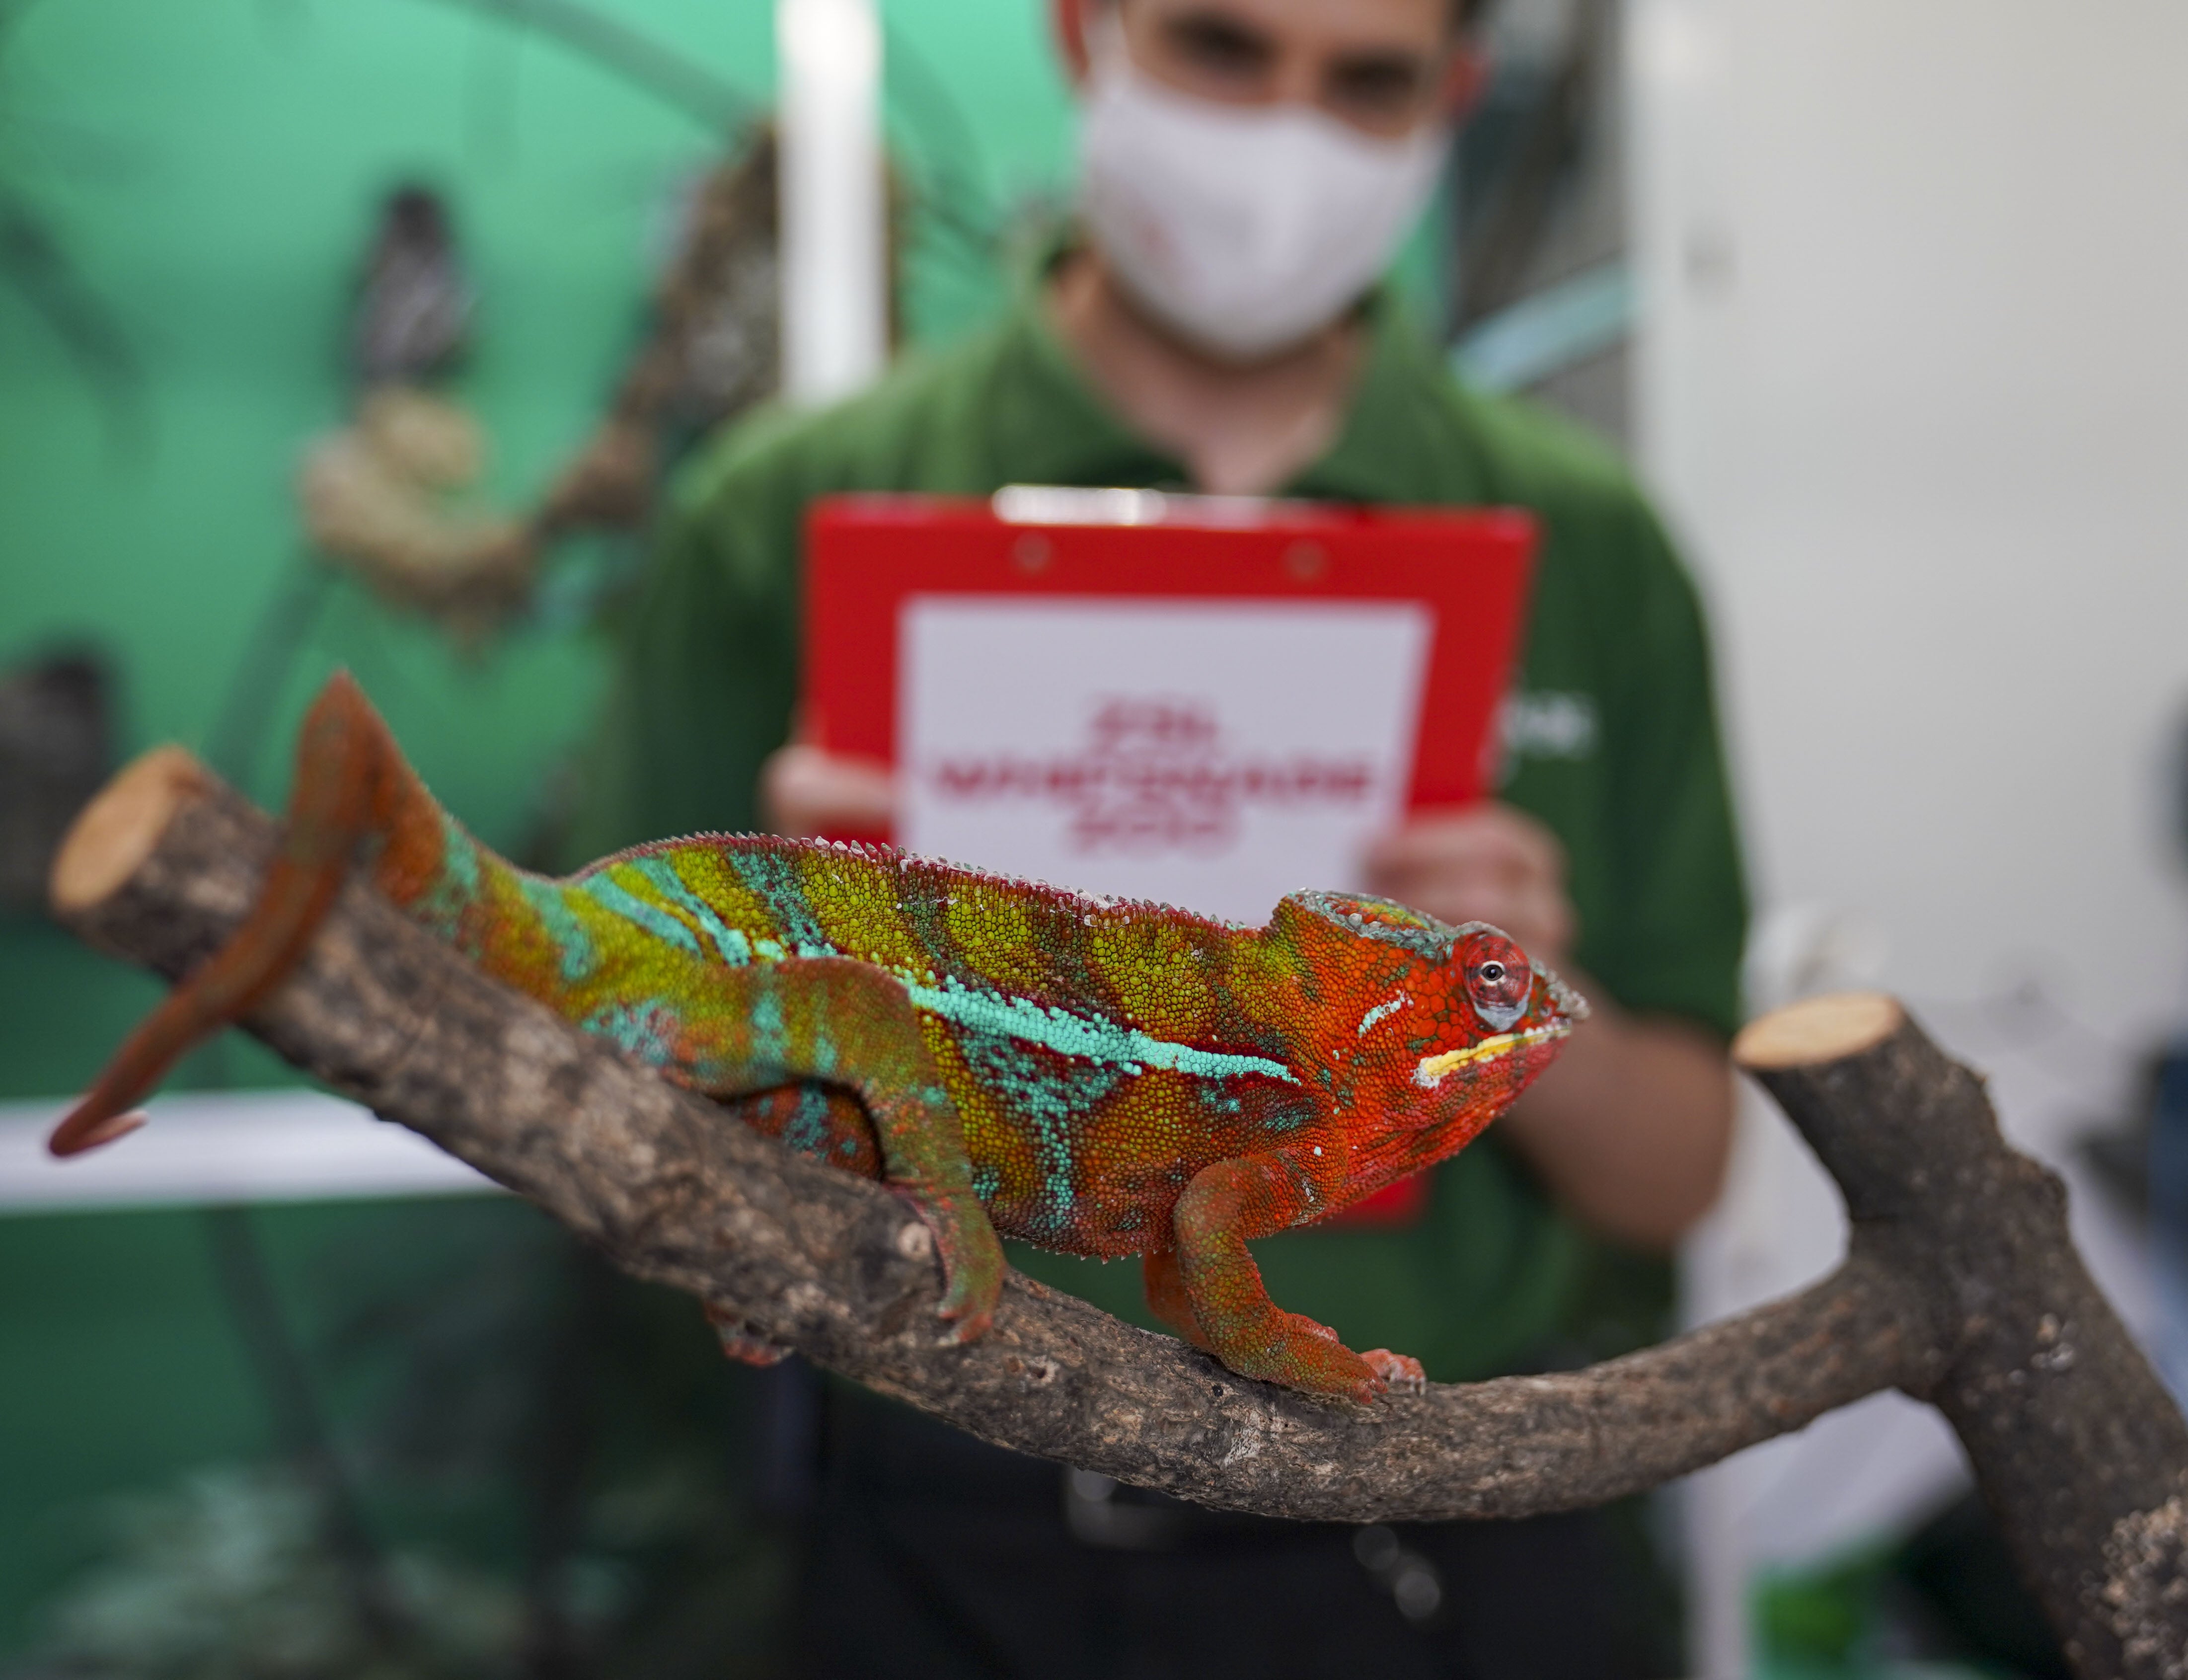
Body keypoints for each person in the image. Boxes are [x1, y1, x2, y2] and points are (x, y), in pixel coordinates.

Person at [569, 0, 1746, 1671]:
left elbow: (1686, 1168)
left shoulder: (1594, 543)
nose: (1283, 130)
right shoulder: (790, 512)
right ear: (1083, 36)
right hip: (943, 1532)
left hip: (1435, 1540)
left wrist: (1532, 996)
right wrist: (782, 972)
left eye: (1365, 80)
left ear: (1454, 97)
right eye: (1219, 46)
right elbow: (586, 1076)